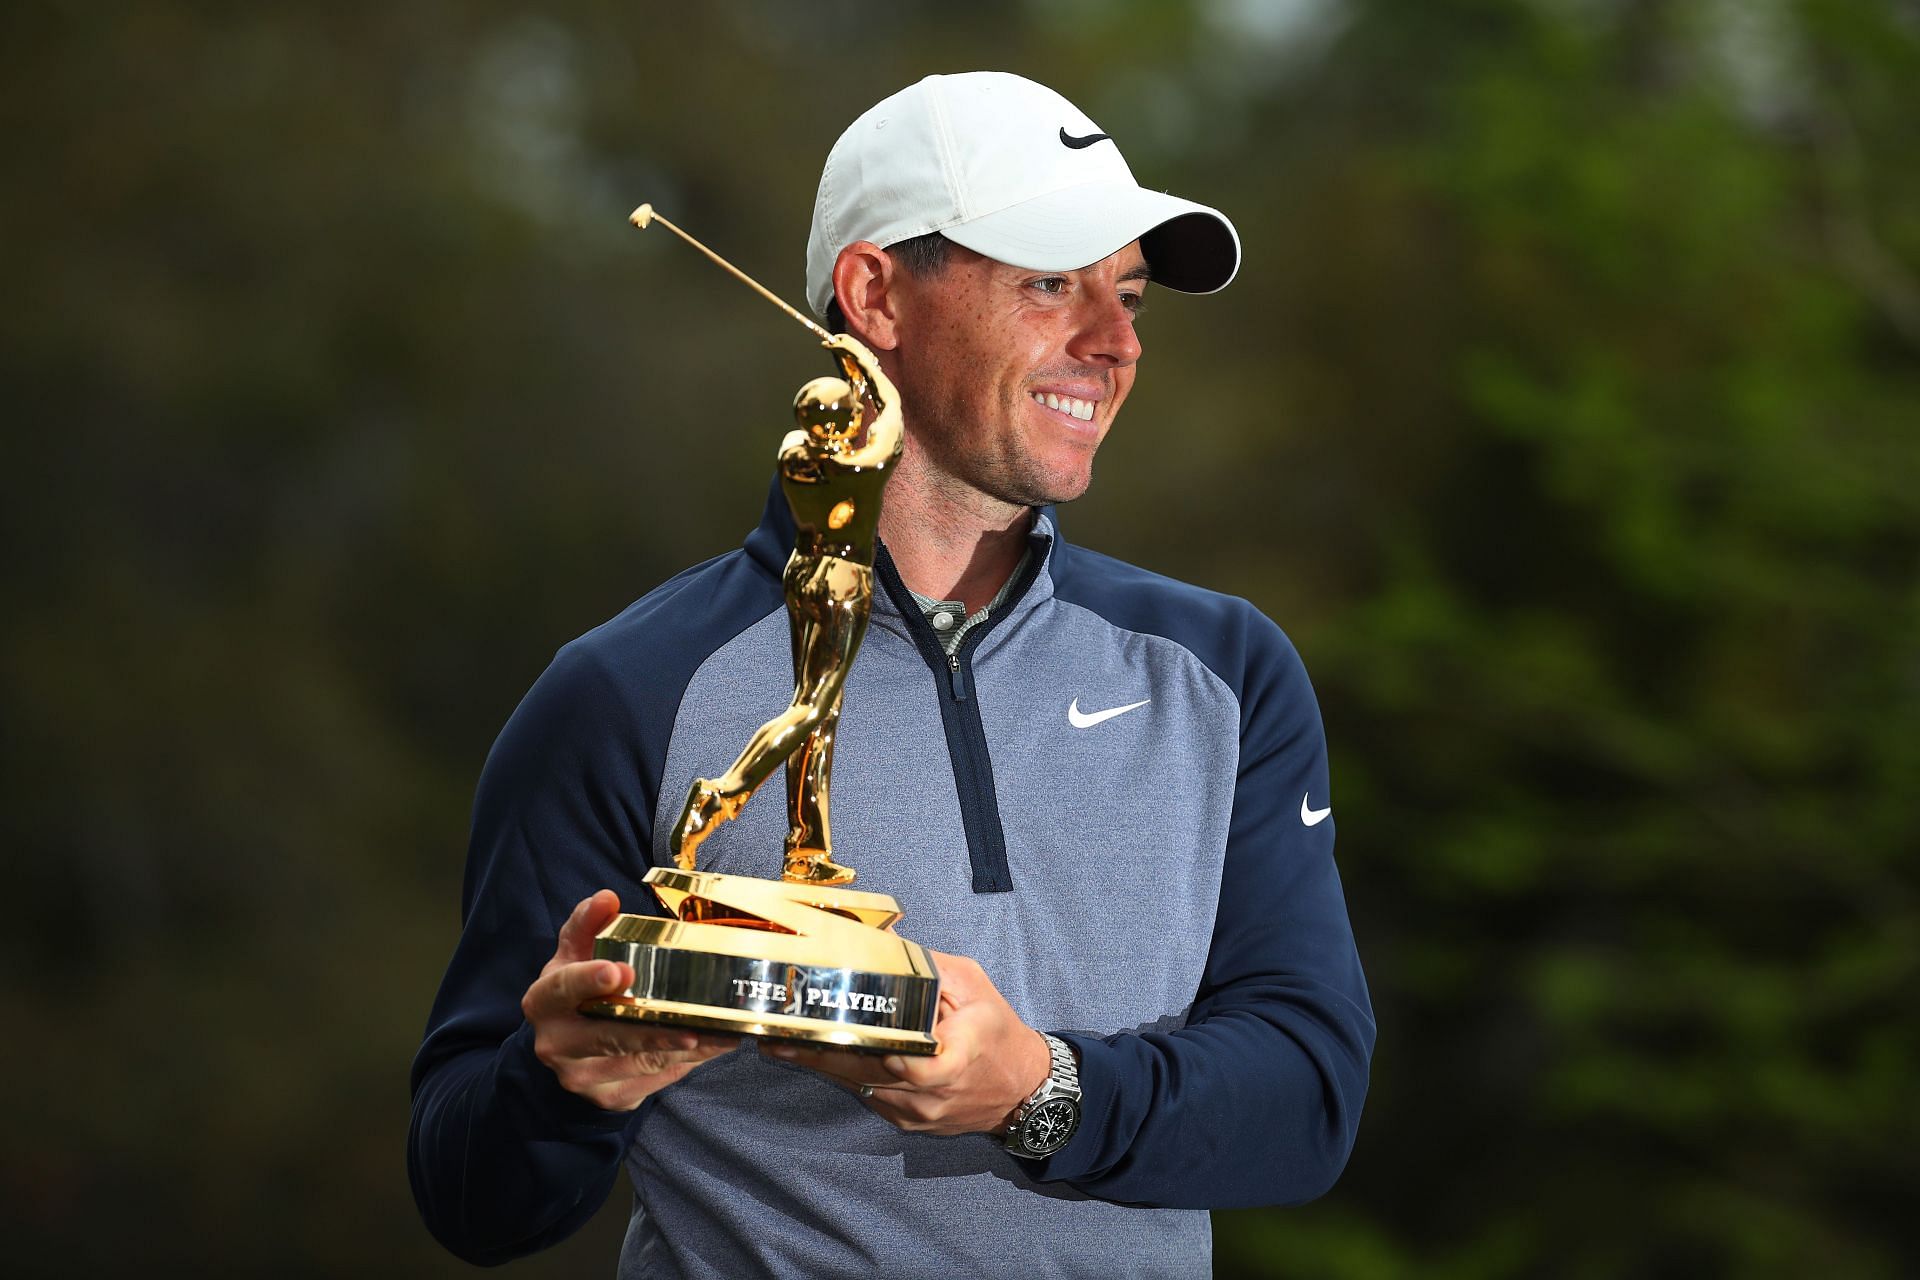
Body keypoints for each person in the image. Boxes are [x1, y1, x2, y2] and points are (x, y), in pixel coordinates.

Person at [410, 71, 1374, 1279]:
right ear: (874, 296)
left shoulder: (1221, 670)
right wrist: (558, 1086)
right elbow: (467, 1189)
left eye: (1126, 295)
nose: (1116, 341)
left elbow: (1311, 1094)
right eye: (1048, 282)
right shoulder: (624, 691)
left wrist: (1040, 1090)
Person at [670, 334, 903, 885]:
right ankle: (721, 795)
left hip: (802, 573)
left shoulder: (796, 453)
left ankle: (806, 847)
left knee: (820, 715)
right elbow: (892, 413)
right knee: (815, 709)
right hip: (845, 581)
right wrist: (865, 364)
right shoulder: (861, 468)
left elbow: (836, 427)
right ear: (847, 423)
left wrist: (845, 379)